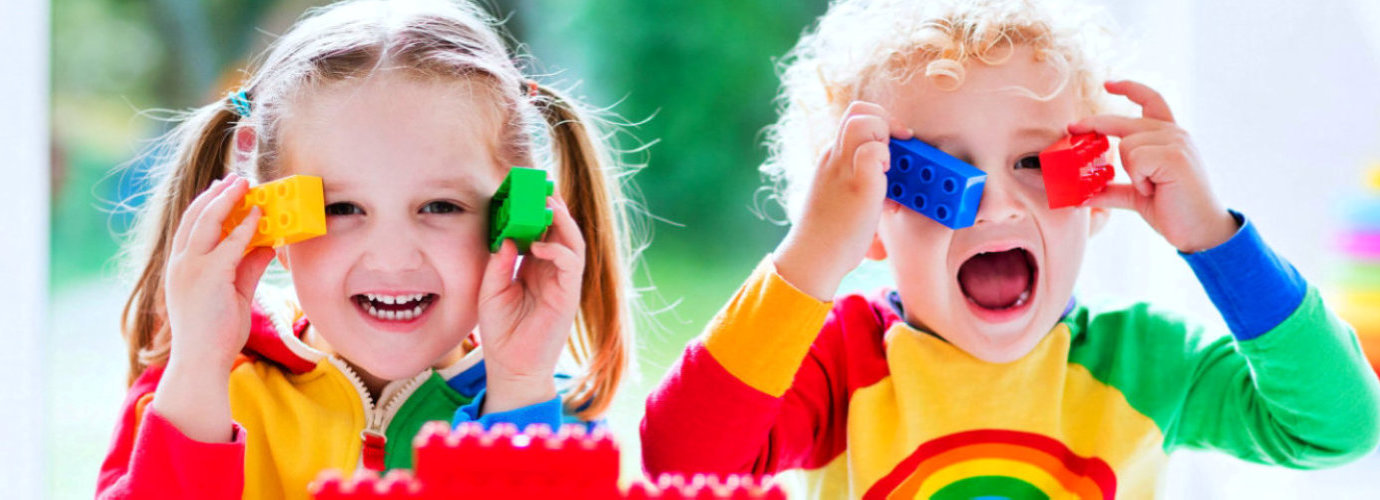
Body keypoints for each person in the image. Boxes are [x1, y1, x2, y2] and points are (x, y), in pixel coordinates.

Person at [640, 0, 1380, 497]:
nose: (994, 203)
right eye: (939, 175)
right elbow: (679, 461)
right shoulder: (845, 366)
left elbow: (1336, 427)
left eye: (1033, 162)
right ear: (866, 223)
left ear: (1093, 195)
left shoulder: (1144, 366)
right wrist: (810, 258)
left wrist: (1216, 238)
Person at [97, 1, 638, 498]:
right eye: (342, 209)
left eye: (441, 206)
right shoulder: (192, 396)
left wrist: (519, 389)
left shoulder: (554, 419)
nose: (392, 259)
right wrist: (198, 368)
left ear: (515, 215)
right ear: (265, 214)